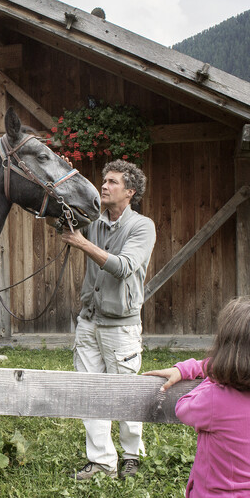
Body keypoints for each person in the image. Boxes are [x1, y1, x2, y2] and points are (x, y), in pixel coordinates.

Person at [144, 296, 250, 498]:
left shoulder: (216, 399)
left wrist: (204, 373)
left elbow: (183, 408)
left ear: (226, 350)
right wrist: (202, 368)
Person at [62, 159, 156, 480]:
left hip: (121, 325)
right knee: (90, 392)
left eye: (112, 182)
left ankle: (132, 455)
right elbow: (60, 218)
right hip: (88, 321)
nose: (104, 185)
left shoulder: (142, 227)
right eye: (104, 180)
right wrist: (64, 175)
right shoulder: (94, 220)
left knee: (126, 392)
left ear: (129, 192)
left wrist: (83, 243)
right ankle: (101, 461)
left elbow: (124, 266)